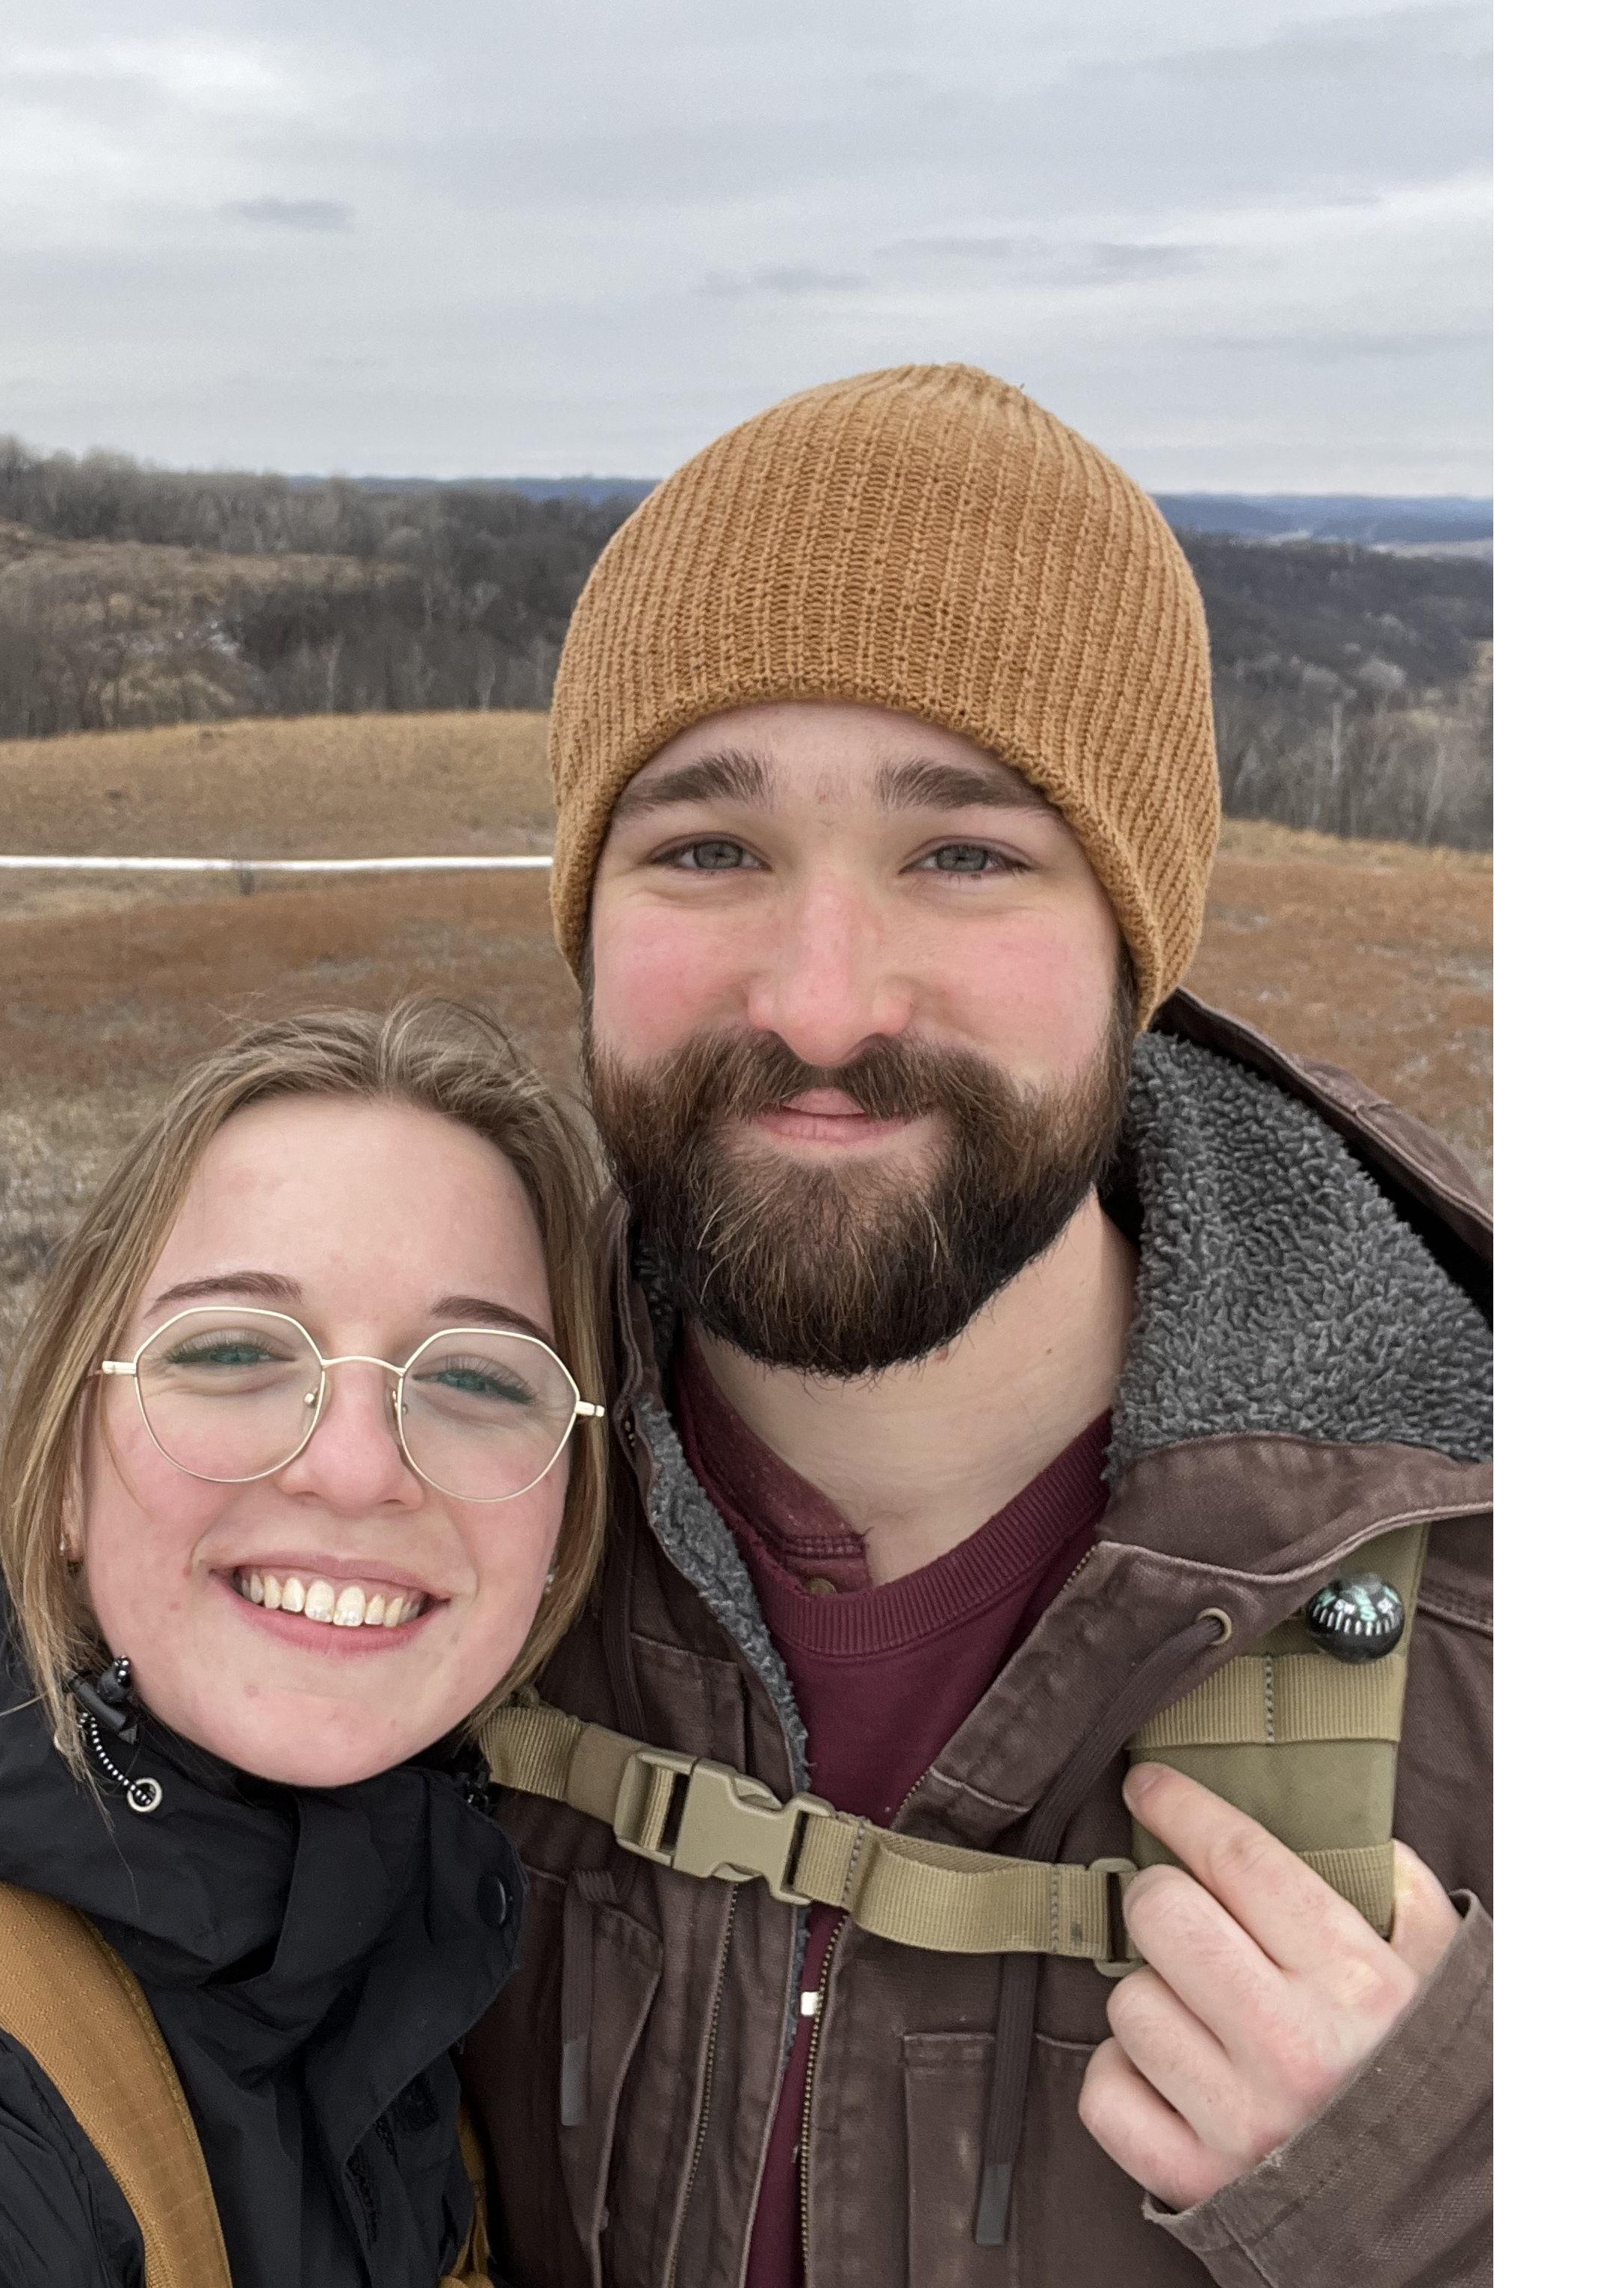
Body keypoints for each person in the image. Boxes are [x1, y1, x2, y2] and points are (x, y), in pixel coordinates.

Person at [459, 365, 1493, 2287]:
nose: (828, 1003)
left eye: (965, 852)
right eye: (705, 844)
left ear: (1135, 945)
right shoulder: (410, 1531)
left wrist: (1459, 2200)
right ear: (581, 910)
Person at [0, 999, 615, 2288]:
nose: (354, 1467)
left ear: (563, 1511)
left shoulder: (425, 1919)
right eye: (231, 1351)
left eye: (479, 1378)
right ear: (61, 1474)